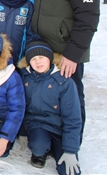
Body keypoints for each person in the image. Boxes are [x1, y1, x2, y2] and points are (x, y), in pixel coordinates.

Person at [32, 0, 100, 142]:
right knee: (46, 95)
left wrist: (73, 55)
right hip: (43, 46)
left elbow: (87, 20)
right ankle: (49, 135)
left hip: (66, 50)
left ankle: (71, 142)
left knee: (71, 97)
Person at [19, 41, 82, 175]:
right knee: (38, 146)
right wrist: (23, 132)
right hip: (37, 124)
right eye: (33, 59)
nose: (38, 62)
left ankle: (57, 147)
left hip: (59, 128)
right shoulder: (25, 78)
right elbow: (21, 108)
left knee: (69, 171)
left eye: (41, 57)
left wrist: (70, 150)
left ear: (50, 58)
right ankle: (41, 151)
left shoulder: (64, 81)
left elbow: (72, 117)